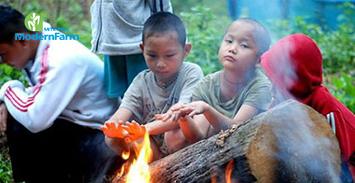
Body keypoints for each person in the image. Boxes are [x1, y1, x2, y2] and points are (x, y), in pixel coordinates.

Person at [0, 5, 120, 183]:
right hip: (81, 124)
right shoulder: (35, 38)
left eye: (2, 54)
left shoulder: (60, 59)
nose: (2, 62)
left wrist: (8, 88)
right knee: (19, 107)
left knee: (20, 117)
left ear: (21, 40)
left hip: (102, 144)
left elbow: (35, 120)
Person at [260, 33, 355, 183]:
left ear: (294, 80)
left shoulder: (324, 104)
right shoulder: (282, 101)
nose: (272, 88)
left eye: (275, 80)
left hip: (354, 172)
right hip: (314, 166)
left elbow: (335, 154)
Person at [101, 12, 204, 161]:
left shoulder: (191, 73)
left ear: (186, 50)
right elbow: (123, 112)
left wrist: (144, 130)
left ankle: (176, 168)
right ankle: (148, 170)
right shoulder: (141, 81)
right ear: (142, 49)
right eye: (152, 55)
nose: (160, 64)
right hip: (152, 149)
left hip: (183, 144)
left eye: (169, 55)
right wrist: (113, 127)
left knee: (174, 134)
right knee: (111, 138)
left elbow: (181, 113)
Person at [156, 18, 272, 148]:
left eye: (244, 45)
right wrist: (184, 117)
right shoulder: (207, 84)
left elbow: (238, 131)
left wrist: (207, 109)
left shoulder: (260, 86)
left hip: (248, 151)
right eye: (229, 41)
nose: (232, 49)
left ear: (258, 60)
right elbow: (198, 139)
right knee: (172, 135)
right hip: (211, 153)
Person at [90, 0, 172, 98]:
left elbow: (160, 5)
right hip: (110, 41)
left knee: (145, 96)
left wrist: (167, 32)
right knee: (118, 98)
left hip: (137, 43)